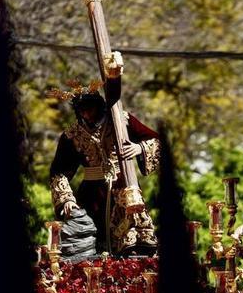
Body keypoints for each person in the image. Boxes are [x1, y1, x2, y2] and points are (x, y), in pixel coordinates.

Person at [48, 76, 160, 256]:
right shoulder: (72, 134)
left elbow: (155, 140)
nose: (87, 115)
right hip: (91, 194)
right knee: (89, 245)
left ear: (99, 105)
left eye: (90, 109)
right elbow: (59, 171)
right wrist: (66, 198)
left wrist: (139, 148)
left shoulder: (121, 121)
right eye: (82, 111)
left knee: (132, 242)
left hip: (123, 188)